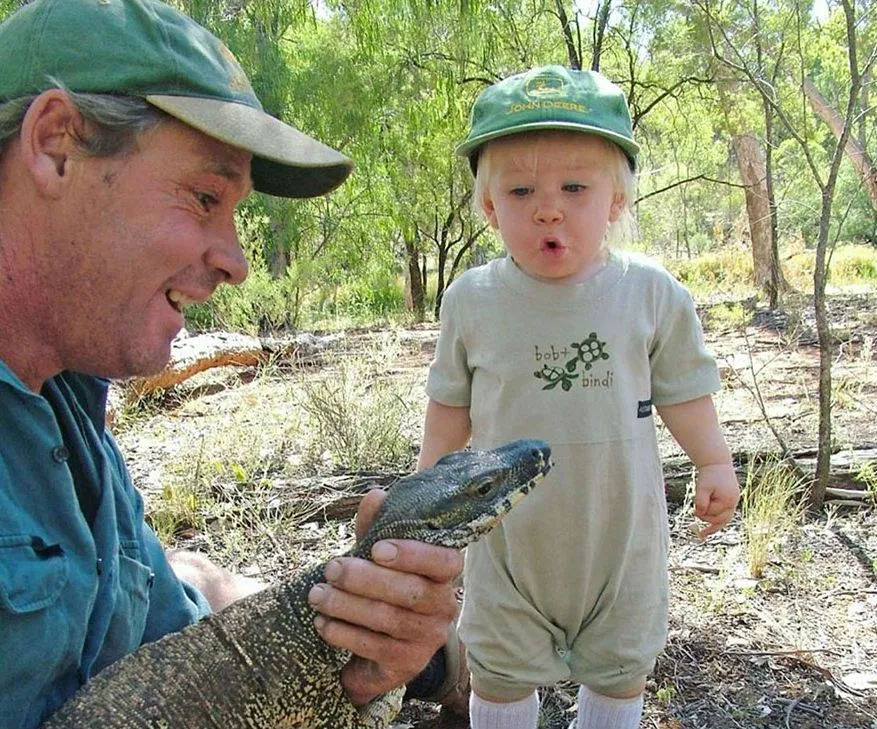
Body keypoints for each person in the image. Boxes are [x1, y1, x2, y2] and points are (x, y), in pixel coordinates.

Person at [0, 1, 465, 727]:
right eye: (205, 196)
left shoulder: (66, 400)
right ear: (57, 145)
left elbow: (162, 649)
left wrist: (362, 648)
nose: (237, 261)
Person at [417, 65, 741, 729]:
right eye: (520, 189)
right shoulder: (472, 301)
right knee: (500, 672)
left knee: (620, 667)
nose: (548, 206)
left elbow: (683, 388)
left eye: (574, 186)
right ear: (488, 206)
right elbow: (450, 403)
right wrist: (426, 489)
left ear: (614, 201)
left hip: (618, 540)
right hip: (508, 543)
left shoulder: (651, 294)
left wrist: (712, 462)